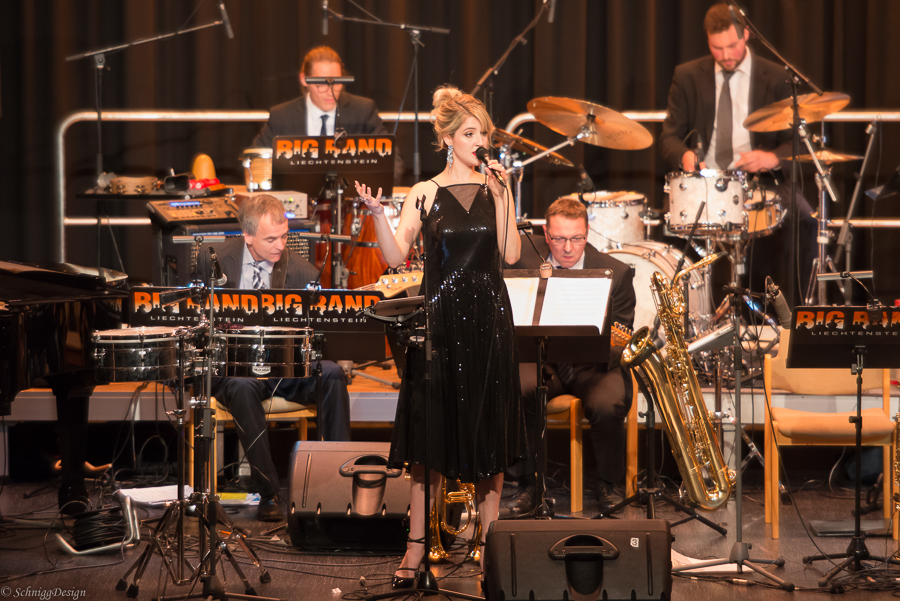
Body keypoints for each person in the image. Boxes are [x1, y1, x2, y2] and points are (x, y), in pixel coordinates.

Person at [353, 86, 525, 587]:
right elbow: (393, 256)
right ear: (449, 139)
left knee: (488, 437)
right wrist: (379, 216)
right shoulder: (424, 192)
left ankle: (490, 548)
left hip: (489, 321)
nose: (480, 142)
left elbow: (512, 254)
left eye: (484, 134)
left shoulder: (497, 187)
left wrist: (504, 196)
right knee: (429, 441)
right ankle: (414, 550)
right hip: (440, 324)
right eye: (470, 134)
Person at [194, 194, 351, 522]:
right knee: (241, 387)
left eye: (284, 236)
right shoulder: (214, 261)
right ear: (248, 236)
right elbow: (196, 318)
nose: (281, 245)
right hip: (235, 367)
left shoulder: (302, 271)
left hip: (284, 366)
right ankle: (268, 493)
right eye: (271, 239)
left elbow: (319, 334)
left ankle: (341, 483)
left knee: (332, 373)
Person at [659, 3, 816, 301]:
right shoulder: (688, 75)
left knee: (805, 219)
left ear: (746, 35)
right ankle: (689, 312)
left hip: (762, 182)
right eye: (717, 48)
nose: (726, 55)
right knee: (669, 223)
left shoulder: (777, 77)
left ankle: (791, 312)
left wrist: (771, 158)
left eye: (732, 45)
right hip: (705, 182)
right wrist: (685, 157)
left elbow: (797, 142)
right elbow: (669, 137)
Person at [504, 197, 636, 514]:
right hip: (542, 360)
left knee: (607, 404)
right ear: (546, 234)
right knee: (520, 387)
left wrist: (591, 347)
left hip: (594, 365)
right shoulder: (521, 261)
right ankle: (527, 484)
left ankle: (609, 484)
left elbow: (620, 335)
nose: (567, 248)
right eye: (559, 238)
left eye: (576, 238)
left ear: (587, 232)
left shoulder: (616, 272)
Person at [252, 45, 404, 182]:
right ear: (304, 79)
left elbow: (393, 162)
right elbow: (255, 161)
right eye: (322, 83)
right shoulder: (282, 116)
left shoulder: (363, 111)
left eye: (337, 81)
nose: (331, 91)